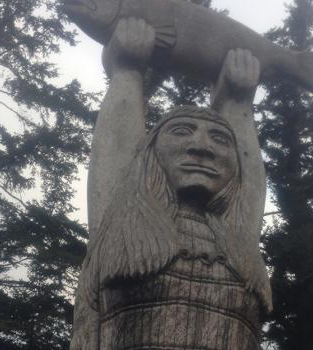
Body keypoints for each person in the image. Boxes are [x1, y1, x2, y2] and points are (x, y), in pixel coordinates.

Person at [71, 17, 271, 350]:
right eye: (181, 132)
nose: (202, 147)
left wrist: (237, 103)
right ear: (150, 154)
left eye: (220, 139)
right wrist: (127, 73)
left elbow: (248, 190)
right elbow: (116, 153)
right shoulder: (123, 223)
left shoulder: (236, 237)